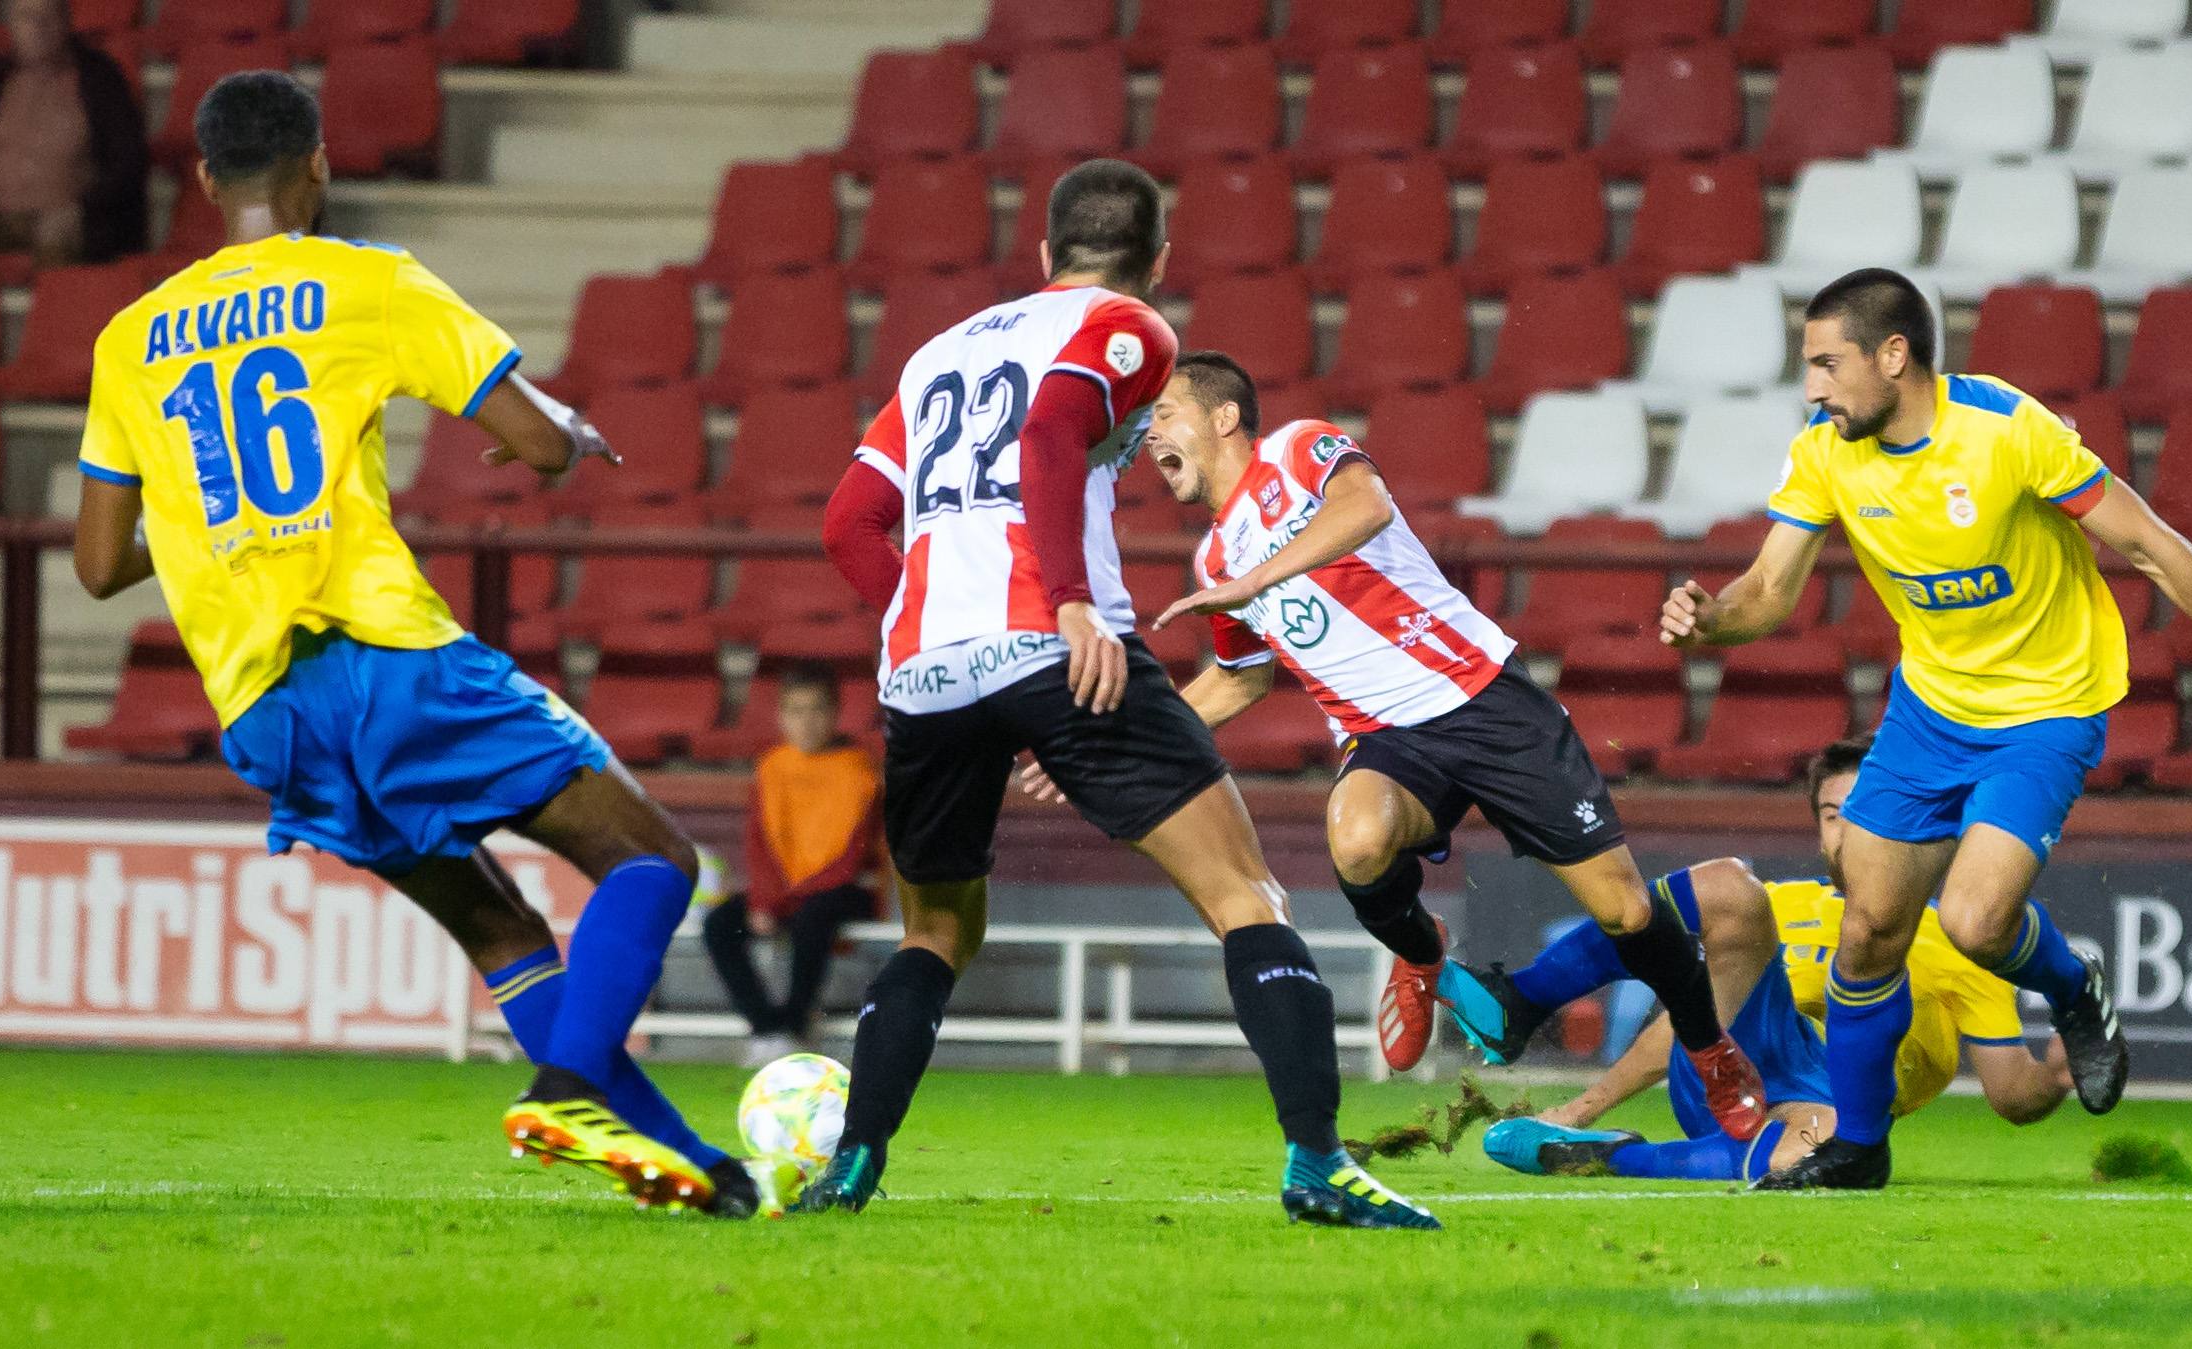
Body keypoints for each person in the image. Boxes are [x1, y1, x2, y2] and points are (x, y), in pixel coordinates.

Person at [72, 71, 757, 1217]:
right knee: (654, 862)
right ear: (321, 165)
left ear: (202, 181)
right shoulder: (367, 283)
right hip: (385, 653)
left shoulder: (128, 339)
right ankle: (571, 1083)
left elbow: (99, 563)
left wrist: (203, 513)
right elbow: (534, 445)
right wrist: (568, 435)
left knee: (500, 926)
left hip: (265, 710)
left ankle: (706, 1177)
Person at [813, 158, 1437, 1228]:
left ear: (1042, 253)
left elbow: (846, 525)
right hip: (1058, 642)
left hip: (922, 673)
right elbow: (1051, 433)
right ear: (1158, 258)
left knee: (934, 934)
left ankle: (852, 1164)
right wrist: (1063, 606)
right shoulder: (1133, 326)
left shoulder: (935, 356)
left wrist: (936, 629)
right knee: (1246, 895)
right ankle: (1318, 1162)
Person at [1659, 268, 2192, 1189]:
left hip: (2047, 707)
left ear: (1893, 354)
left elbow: (2152, 545)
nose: (1813, 388)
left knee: (1972, 921)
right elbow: (1765, 591)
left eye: (1827, 364)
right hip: (1929, 711)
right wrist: (1712, 618)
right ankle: (1858, 1149)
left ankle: (2073, 989)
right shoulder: (1825, 451)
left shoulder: (2006, 429)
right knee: (1869, 928)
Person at [1035, 350, 1765, 1139]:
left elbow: (1367, 507)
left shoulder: (1297, 448)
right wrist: (1109, 744)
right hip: (1385, 736)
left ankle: (1709, 1047)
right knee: (1355, 838)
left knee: (1625, 910)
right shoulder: (1213, 557)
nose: (1150, 436)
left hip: (1485, 698)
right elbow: (1238, 681)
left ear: (1222, 417)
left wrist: (1256, 581)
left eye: (1165, 414)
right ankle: (1422, 954)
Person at [1456, 738, 2073, 1182]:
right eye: (1835, 815)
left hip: (1824, 1110)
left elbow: (2012, 1093)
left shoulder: (1954, 937)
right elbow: (1694, 1010)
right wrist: (1580, 1105)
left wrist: (2056, 1075)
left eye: (1871, 814)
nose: (1851, 831)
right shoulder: (1780, 905)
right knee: (1728, 885)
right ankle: (1524, 1001)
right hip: (1721, 1074)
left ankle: (1607, 1155)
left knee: (1830, 1147)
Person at [702, 667, 885, 1065]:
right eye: (796, 711)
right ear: (781, 717)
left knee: (813, 918)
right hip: (782, 891)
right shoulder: (772, 766)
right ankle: (768, 1029)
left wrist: (784, 900)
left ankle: (796, 1023)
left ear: (836, 713)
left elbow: (850, 858)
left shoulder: (859, 770)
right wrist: (765, 901)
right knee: (719, 925)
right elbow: (759, 841)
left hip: (843, 890)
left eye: (817, 710)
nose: (806, 722)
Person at [0, 0, 147, 265]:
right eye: (26, 17)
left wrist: (82, 210)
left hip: (72, 218)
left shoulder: (101, 80)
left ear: (66, 22)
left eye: (48, 17)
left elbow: (129, 161)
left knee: (57, 238)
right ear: (10, 25)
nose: (38, 27)